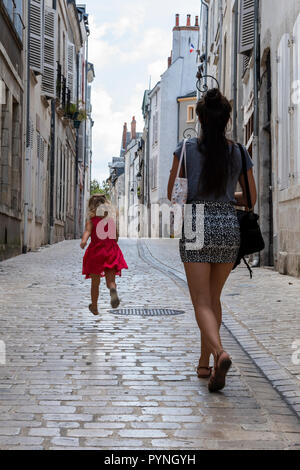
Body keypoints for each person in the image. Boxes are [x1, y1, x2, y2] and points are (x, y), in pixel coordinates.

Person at [168, 88, 257, 393]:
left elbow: (174, 194)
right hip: (227, 224)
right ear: (227, 119)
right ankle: (204, 362)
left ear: (202, 120)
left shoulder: (186, 149)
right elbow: (251, 199)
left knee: (201, 302)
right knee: (212, 299)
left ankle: (220, 354)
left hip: (195, 222)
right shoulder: (239, 152)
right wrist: (227, 196)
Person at [81, 194, 128, 316]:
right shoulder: (110, 221)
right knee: (110, 281)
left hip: (96, 253)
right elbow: (116, 238)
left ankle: (95, 307)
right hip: (111, 252)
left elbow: (87, 232)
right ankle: (113, 289)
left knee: (95, 284)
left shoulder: (92, 221)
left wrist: (84, 241)